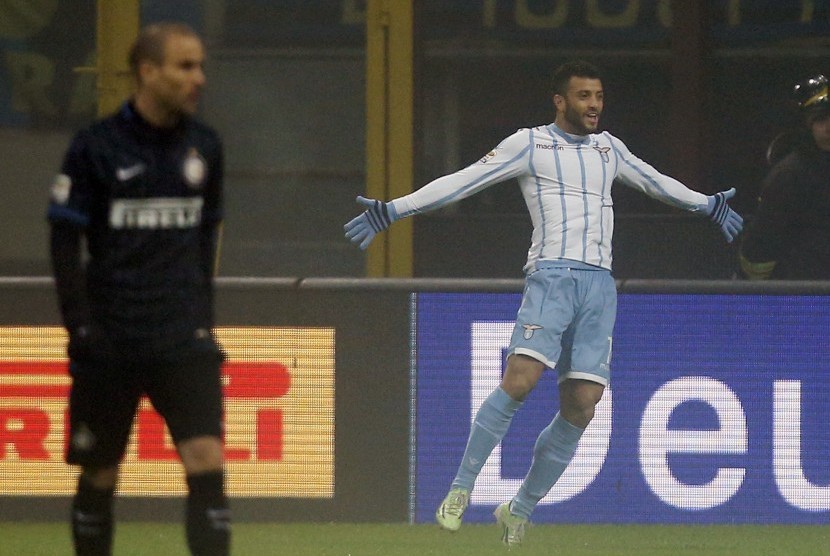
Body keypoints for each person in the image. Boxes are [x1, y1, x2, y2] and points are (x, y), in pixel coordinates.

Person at [344, 60, 742, 547]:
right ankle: (460, 490)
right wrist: (395, 209)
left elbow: (657, 182)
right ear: (560, 101)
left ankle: (519, 508)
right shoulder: (529, 144)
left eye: (598, 95)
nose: (594, 105)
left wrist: (707, 204)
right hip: (551, 278)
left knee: (583, 404)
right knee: (520, 380)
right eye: (583, 96)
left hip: (599, 288)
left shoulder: (608, 149)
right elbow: (463, 180)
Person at [47, 23, 230, 555]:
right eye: (185, 66)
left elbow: (203, 243)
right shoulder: (95, 147)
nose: (198, 78)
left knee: (206, 461)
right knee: (100, 473)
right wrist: (79, 327)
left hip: (182, 340)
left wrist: (202, 317)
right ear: (148, 72)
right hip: (111, 338)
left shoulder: (205, 146)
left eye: (200, 66)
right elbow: (64, 244)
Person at [739, 73, 830, 280]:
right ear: (808, 124)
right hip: (803, 290)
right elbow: (765, 236)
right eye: (821, 118)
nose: (829, 125)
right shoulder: (788, 175)